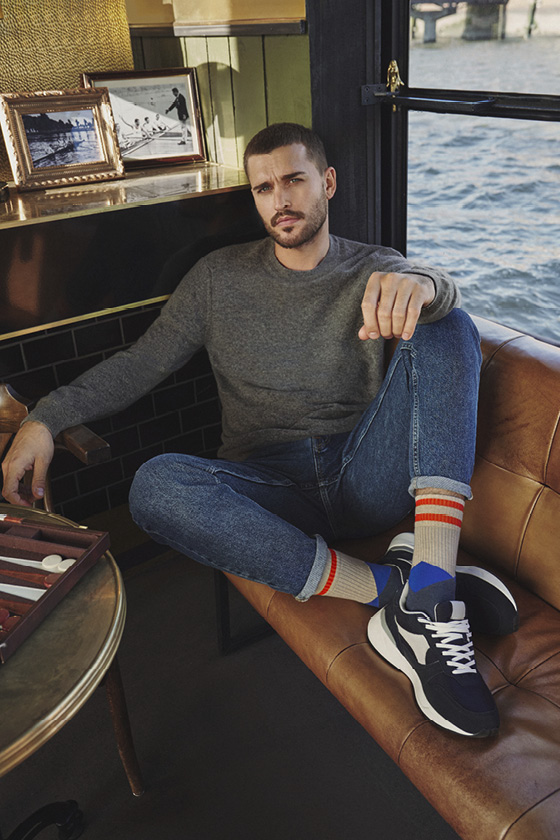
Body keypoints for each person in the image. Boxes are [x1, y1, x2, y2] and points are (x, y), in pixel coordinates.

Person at [1, 122, 517, 738]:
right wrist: (46, 418)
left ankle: (431, 594)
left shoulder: (373, 266)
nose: (280, 200)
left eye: (294, 180)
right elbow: (139, 364)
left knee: (449, 324)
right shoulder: (217, 278)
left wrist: (427, 285)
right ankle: (400, 589)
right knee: (155, 486)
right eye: (264, 188)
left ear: (327, 183)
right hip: (270, 491)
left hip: (364, 471)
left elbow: (442, 297)